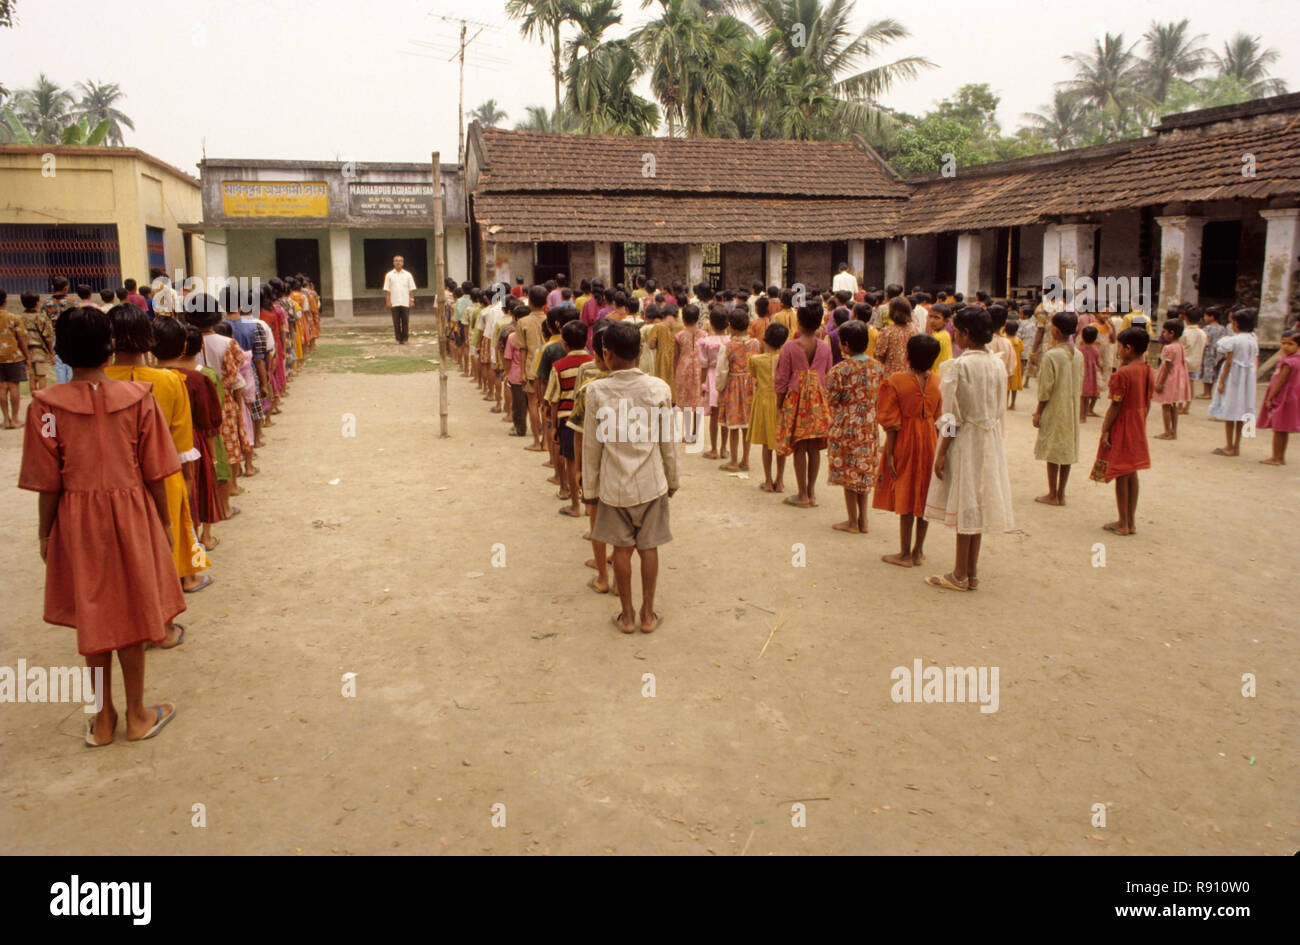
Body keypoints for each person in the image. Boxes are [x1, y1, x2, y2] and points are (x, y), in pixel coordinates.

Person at [19, 306, 181, 745]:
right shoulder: (138, 399)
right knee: (131, 608)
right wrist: (164, 523)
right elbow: (155, 472)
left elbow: (47, 481)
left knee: (94, 612)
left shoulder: (46, 408)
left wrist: (45, 532)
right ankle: (138, 714)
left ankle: (104, 718)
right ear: (110, 349)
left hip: (76, 518)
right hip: (133, 513)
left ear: (62, 352)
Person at [105, 303, 212, 615]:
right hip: (165, 472)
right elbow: (181, 441)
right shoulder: (167, 381)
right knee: (172, 529)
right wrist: (188, 478)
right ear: (148, 339)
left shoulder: (99, 383)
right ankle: (186, 580)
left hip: (117, 476)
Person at [582, 321, 680, 634]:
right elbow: (668, 440)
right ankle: (648, 615)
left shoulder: (596, 391)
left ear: (606, 354)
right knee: (649, 548)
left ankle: (626, 617)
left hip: (613, 486)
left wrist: (591, 488)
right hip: (651, 483)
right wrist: (673, 478)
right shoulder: (658, 388)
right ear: (640, 352)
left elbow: (591, 445)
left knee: (621, 550)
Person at [923, 306, 1014, 591]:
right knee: (977, 502)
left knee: (966, 502)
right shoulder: (996, 364)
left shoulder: (960, 367)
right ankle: (971, 572)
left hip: (967, 440)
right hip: (989, 437)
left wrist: (941, 452)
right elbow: (999, 406)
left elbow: (952, 417)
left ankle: (960, 572)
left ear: (964, 334)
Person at [153, 319, 225, 549]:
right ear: (184, 347)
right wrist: (212, 455)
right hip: (192, 441)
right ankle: (204, 536)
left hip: (157, 443)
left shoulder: (148, 378)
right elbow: (208, 421)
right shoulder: (196, 378)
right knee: (199, 489)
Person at [875, 333, 942, 568]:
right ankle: (918, 551)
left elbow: (890, 422)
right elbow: (942, 418)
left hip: (905, 440)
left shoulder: (895, 381)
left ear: (907, 354)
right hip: (930, 440)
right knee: (924, 496)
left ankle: (904, 553)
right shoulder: (937, 381)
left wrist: (890, 453)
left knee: (905, 494)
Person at [1093, 327, 1154, 536]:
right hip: (1138, 422)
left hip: (1123, 424)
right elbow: (1148, 400)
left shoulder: (1122, 374)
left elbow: (1116, 406)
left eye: (1120, 347)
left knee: (1120, 472)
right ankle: (1131, 521)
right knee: (1131, 471)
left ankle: (1123, 522)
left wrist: (1105, 429)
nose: (1118, 350)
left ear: (1128, 348)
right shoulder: (1147, 370)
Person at [825, 320, 883, 533]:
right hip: (868, 426)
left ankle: (852, 521)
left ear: (845, 345)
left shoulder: (840, 370)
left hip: (846, 426)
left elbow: (831, 399)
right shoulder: (877, 367)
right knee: (864, 473)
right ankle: (864, 520)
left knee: (849, 474)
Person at [775, 302, 833, 509]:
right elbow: (827, 375)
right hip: (818, 398)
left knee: (799, 445)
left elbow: (782, 377)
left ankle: (802, 494)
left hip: (796, 398)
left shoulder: (790, 346)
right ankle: (811, 491)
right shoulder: (825, 347)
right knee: (814, 447)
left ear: (799, 323)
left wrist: (780, 405)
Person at [1032, 311, 1084, 506]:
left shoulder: (1052, 356)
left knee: (1054, 450)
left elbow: (1045, 389)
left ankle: (1053, 493)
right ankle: (1061, 493)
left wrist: (1038, 411)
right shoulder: (1077, 355)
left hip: (1055, 407)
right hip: (1071, 407)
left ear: (1055, 330)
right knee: (1066, 449)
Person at [544, 319, 593, 517]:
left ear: (564, 344)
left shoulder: (558, 366)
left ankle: (575, 505)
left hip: (568, 420)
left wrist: (554, 425)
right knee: (590, 464)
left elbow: (553, 400)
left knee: (571, 463)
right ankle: (591, 506)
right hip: (591, 421)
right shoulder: (594, 364)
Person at [1207, 308, 1259, 457]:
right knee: (1241, 409)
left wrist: (1222, 382)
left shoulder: (1233, 340)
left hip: (1234, 378)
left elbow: (1228, 363)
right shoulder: (1252, 339)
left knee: (1230, 410)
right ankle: (1237, 445)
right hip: (1246, 378)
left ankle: (1229, 446)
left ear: (1235, 324)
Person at [715, 307, 760, 472]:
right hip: (750, 384)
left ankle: (733, 461)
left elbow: (722, 371)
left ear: (730, 326)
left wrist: (719, 389)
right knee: (746, 424)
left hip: (733, 385)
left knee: (733, 424)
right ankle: (745, 460)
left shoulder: (727, 346)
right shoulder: (755, 343)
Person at [748, 321, 788, 494]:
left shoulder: (755, 360)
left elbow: (754, 377)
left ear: (765, 339)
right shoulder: (785, 359)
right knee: (780, 443)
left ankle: (768, 480)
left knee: (766, 444)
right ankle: (780, 480)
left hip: (763, 401)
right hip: (780, 402)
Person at [1258, 329, 1300, 465]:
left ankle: (1276, 457)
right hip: (1291, 397)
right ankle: (1281, 457)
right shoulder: (1295, 360)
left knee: (1278, 429)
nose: (1286, 347)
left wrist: (1270, 397)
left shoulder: (1288, 362)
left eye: (1290, 344)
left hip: (1283, 397)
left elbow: (1281, 381)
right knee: (1283, 429)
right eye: (1283, 343)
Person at [517, 286, 548, 452]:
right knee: (546, 406)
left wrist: (522, 371)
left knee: (533, 404)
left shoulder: (523, 322)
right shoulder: (550, 319)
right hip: (549, 368)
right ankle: (547, 442)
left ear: (529, 301)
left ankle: (537, 441)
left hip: (531, 367)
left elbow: (522, 349)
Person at [698, 307, 729, 460]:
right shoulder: (730, 341)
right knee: (725, 416)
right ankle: (724, 448)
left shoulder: (706, 342)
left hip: (711, 376)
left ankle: (714, 449)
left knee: (714, 416)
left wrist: (702, 384)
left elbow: (703, 365)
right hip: (727, 378)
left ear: (711, 324)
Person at [1153, 318, 1191, 441]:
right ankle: (1173, 431)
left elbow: (1167, 367)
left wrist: (1160, 383)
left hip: (1169, 378)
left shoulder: (1168, 348)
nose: (1163, 334)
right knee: (1173, 405)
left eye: (1165, 332)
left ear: (1171, 333)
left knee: (1166, 405)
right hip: (1178, 378)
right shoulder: (1181, 346)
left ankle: (1167, 431)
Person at [673, 303, 705, 441]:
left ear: (684, 319)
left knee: (686, 403)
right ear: (698, 318)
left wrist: (675, 372)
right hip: (699, 370)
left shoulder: (679, 336)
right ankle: (695, 433)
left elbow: (675, 356)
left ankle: (688, 434)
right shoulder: (704, 335)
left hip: (683, 368)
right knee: (698, 402)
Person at [0, 291, 30, 428]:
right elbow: (22, 339)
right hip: (13, 356)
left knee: (1, 387)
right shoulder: (14, 318)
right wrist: (27, 357)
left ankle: (5, 419)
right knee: (13, 386)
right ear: (5, 301)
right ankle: (15, 419)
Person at [20, 291, 54, 393]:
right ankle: (41, 401)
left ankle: (34, 400)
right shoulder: (42, 317)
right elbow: (48, 337)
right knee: (41, 377)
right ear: (37, 303)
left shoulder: (20, 318)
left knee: (32, 377)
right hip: (40, 351)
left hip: (26, 352)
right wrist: (51, 353)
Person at [874, 297, 914, 377]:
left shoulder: (886, 332)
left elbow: (879, 355)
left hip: (891, 375)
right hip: (909, 374)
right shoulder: (914, 331)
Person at [503, 305, 528, 437]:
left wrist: (507, 372)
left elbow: (508, 357)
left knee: (518, 405)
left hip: (516, 374)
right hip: (530, 372)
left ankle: (520, 428)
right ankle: (539, 427)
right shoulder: (534, 334)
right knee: (532, 403)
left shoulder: (512, 337)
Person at [383, 255, 417, 345]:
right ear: (393, 262)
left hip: (405, 302)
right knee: (396, 321)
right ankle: (398, 339)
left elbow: (411, 289)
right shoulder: (389, 275)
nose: (398, 262)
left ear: (403, 263)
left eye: (400, 261)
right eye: (396, 261)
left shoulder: (408, 275)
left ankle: (405, 339)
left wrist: (412, 300)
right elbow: (387, 290)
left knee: (405, 321)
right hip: (394, 302)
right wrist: (388, 301)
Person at [1179, 307, 1207, 415]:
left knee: (1182, 385)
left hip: (1184, 361)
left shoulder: (1184, 332)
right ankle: (1187, 407)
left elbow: (1180, 346)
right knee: (1191, 384)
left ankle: (1180, 405)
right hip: (1196, 361)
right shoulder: (1202, 333)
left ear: (1186, 318)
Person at [1198, 307, 1226, 398]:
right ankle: (1208, 391)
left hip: (1208, 351)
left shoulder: (1208, 328)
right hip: (1218, 352)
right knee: (1213, 371)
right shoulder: (1222, 328)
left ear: (1212, 317)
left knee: (1207, 371)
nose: (1204, 318)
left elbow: (1205, 340)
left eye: (1206, 316)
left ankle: (1207, 392)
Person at [1078, 324, 1102, 421]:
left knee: (1082, 397)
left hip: (1082, 374)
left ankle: (1081, 416)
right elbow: (1098, 362)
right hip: (1091, 375)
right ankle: (1084, 416)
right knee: (1087, 396)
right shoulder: (1095, 350)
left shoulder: (1079, 349)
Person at [1004, 319, 1024, 410]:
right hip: (1016, 366)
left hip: (1006, 365)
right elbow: (1020, 352)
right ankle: (1013, 403)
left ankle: (1005, 402)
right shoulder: (1018, 341)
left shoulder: (1004, 339)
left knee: (1006, 386)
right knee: (1014, 387)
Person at [928, 304, 952, 376]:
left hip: (935, 375)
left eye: (937, 318)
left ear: (946, 321)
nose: (932, 321)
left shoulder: (936, 338)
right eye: (930, 316)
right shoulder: (945, 334)